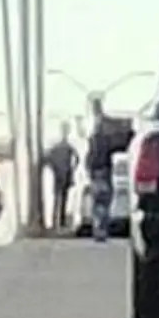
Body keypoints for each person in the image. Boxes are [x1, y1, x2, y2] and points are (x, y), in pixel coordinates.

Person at [83, 96, 123, 242]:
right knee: (103, 199)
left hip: (99, 168)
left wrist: (88, 166)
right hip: (103, 168)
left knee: (99, 200)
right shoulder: (105, 125)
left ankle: (100, 229)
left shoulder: (98, 128)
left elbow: (94, 151)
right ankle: (101, 229)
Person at [42, 125, 79, 231]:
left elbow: (47, 159)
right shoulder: (68, 147)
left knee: (57, 198)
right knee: (63, 199)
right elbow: (77, 158)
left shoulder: (55, 147)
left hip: (58, 174)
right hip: (66, 174)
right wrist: (72, 168)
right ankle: (61, 221)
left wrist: (54, 168)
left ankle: (55, 221)